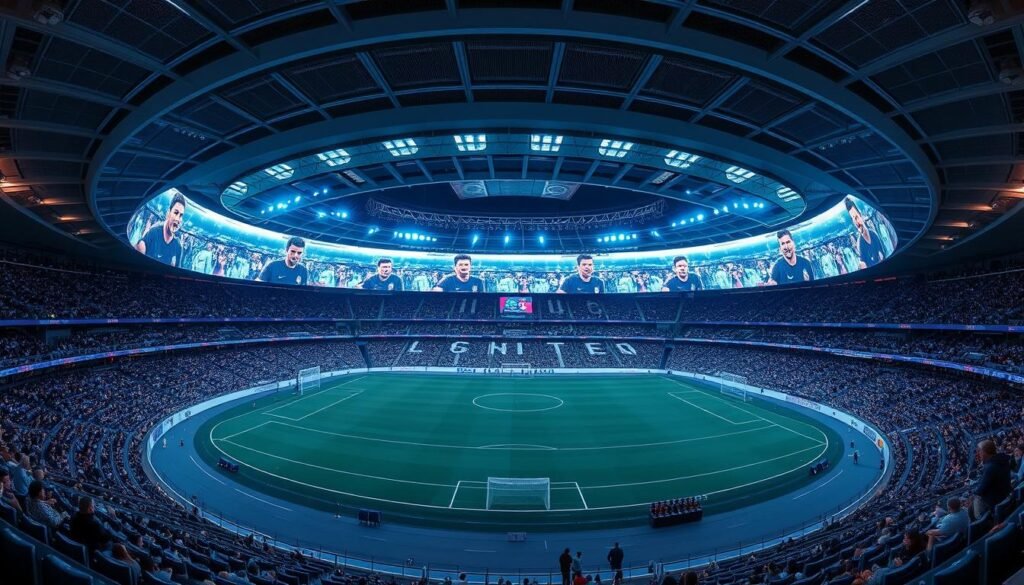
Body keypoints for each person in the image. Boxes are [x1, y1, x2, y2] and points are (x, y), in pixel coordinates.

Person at [135, 192, 186, 267]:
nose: (178, 219)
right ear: (168, 213)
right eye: (176, 213)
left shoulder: (177, 246)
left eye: (181, 215)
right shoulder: (153, 233)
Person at [971, 439, 1012, 519]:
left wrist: (974, 493)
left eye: (979, 451)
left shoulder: (990, 467)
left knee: (975, 499)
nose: (978, 454)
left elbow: (980, 490)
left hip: (996, 500)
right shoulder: (1002, 460)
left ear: (985, 452)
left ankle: (980, 522)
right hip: (1004, 495)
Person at [846, 197, 885, 269]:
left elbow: (881, 255)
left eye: (856, 217)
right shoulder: (860, 242)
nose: (856, 222)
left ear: (861, 216)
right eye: (853, 219)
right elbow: (863, 262)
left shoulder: (873, 234)